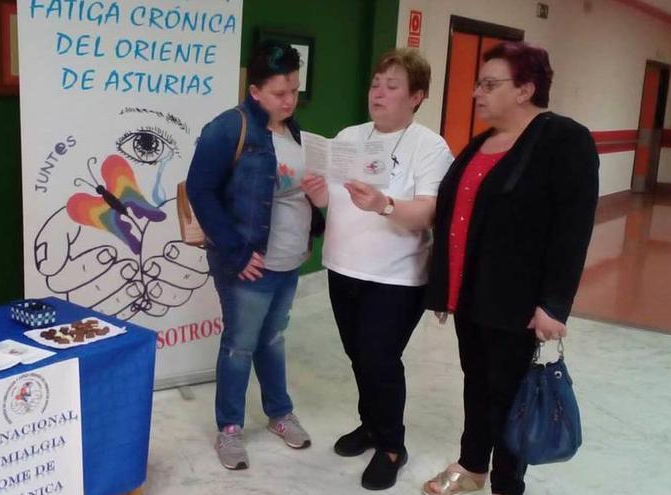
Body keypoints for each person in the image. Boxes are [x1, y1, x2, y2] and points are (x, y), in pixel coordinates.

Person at [420, 41, 598, 495]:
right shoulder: (482, 143)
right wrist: (444, 288)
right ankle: (473, 465)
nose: (477, 93)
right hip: (472, 296)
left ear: (525, 90)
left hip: (518, 301)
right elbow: (456, 218)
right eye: (479, 83)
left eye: (489, 84)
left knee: (511, 396)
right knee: (476, 385)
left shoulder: (564, 139)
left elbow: (572, 231)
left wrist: (554, 305)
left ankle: (507, 483)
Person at [301, 48, 453, 490]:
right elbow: (334, 201)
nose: (379, 93)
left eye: (392, 86)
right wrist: (316, 192)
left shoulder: (430, 147)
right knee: (358, 355)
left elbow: (425, 214)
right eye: (375, 84)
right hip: (343, 267)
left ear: (417, 96)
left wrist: (384, 203)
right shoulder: (349, 136)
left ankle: (391, 445)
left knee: (380, 360)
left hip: (396, 277)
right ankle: (370, 425)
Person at [186, 40, 323, 470]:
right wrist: (237, 251)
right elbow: (199, 191)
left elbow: (290, 195)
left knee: (273, 339)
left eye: (295, 91)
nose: (289, 100)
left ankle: (279, 413)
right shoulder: (230, 127)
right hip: (248, 262)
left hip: (287, 261)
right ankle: (229, 429)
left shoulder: (294, 130)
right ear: (255, 90)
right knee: (239, 346)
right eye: (280, 93)